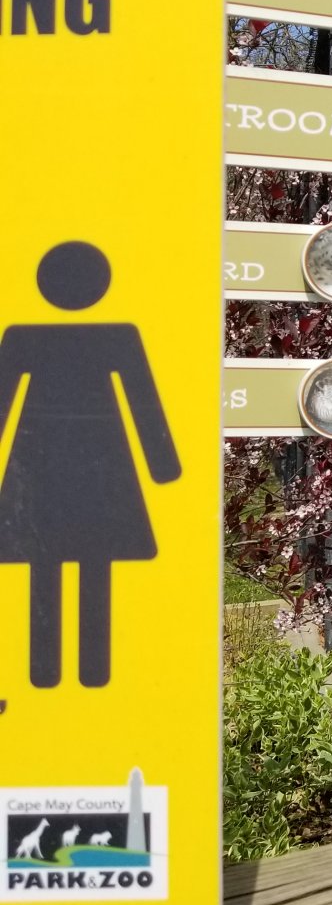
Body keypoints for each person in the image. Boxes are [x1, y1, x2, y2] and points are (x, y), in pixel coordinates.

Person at [0, 242, 179, 689]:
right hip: (99, 464)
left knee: (50, 560)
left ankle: (48, 671)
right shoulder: (112, 336)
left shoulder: (28, 336)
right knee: (87, 561)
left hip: (45, 464)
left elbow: (143, 400)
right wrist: (161, 465)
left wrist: (163, 465)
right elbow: (144, 404)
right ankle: (89, 670)